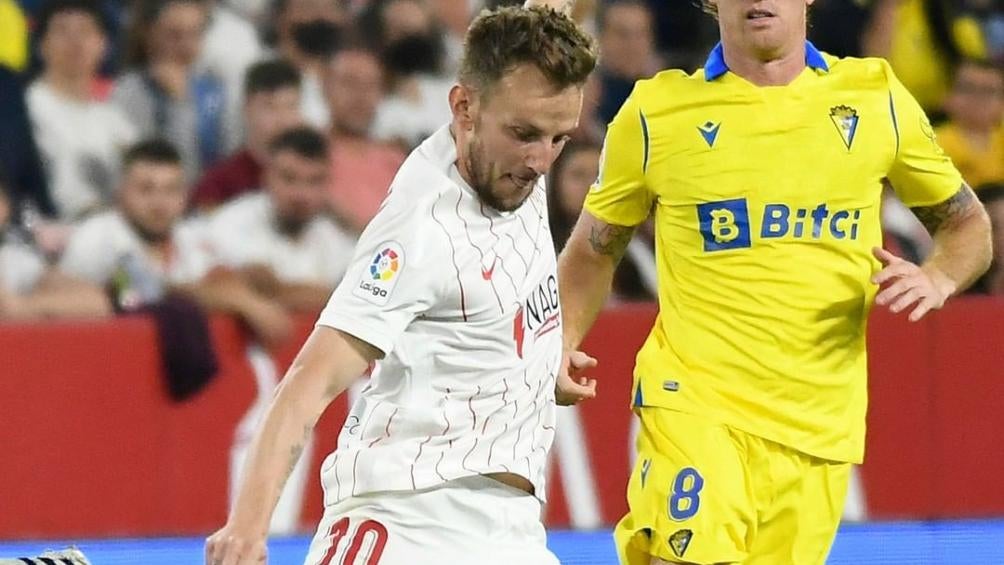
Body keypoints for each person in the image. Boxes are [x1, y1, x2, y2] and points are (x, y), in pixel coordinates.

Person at [556, 1, 993, 564]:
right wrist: (561, 341)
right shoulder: (656, 112)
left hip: (818, 426)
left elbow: (967, 224)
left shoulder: (874, 97)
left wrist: (940, 275)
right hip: (696, 402)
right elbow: (594, 250)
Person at [204, 3, 597, 564]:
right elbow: (309, 383)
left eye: (559, 138)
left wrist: (535, 357)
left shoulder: (509, 155)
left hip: (514, 532)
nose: (540, 161)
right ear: (463, 108)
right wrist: (246, 526)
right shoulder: (421, 231)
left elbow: (549, 13)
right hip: (407, 524)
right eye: (525, 134)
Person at [202, 126, 356, 314]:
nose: (301, 195)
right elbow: (260, 286)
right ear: (266, 176)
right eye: (289, 178)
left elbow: (357, 300)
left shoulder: (333, 235)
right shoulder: (232, 221)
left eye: (314, 181)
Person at [191, 59, 303, 211]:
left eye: (291, 106)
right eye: (270, 107)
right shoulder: (217, 186)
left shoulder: (315, 177)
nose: (283, 120)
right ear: (247, 108)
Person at [936, 59, 1004, 189]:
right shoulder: (933, 145)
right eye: (968, 88)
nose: (978, 98)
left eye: (988, 91)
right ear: (947, 96)